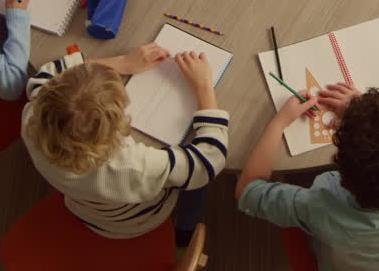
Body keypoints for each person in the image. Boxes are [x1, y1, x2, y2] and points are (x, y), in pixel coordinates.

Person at [22, 45, 228, 246]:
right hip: (133, 221)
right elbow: (208, 161)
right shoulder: (134, 166)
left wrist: (123, 63)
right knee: (195, 183)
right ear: (114, 127)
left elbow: (46, 74)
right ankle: (185, 230)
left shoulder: (35, 117)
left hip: (84, 207)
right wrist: (204, 86)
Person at [236, 85, 379, 271]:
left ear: (341, 170)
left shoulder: (321, 204)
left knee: (300, 173)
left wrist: (279, 123)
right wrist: (378, 119)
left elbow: (247, 190)